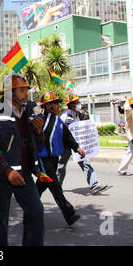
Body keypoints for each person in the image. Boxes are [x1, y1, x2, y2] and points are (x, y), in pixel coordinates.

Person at [0, 73, 45, 246]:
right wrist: (7, 170)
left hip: (24, 176)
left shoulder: (32, 110)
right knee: (0, 220)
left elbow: (39, 143)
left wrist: (39, 132)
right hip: (2, 176)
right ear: (9, 92)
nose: (26, 93)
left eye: (26, 89)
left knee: (36, 212)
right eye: (21, 89)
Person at [36, 91, 84, 226]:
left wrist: (77, 148)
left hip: (53, 159)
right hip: (43, 159)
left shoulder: (58, 120)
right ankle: (69, 214)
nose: (58, 106)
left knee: (41, 185)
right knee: (55, 186)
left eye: (57, 103)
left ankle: (31, 208)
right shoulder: (40, 120)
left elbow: (67, 137)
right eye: (55, 103)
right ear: (48, 106)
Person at [58, 93, 108, 195]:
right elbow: (71, 128)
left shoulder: (78, 114)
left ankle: (94, 185)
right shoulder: (66, 115)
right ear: (71, 104)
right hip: (66, 145)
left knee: (85, 162)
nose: (79, 104)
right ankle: (57, 187)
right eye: (77, 102)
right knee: (61, 166)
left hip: (76, 145)